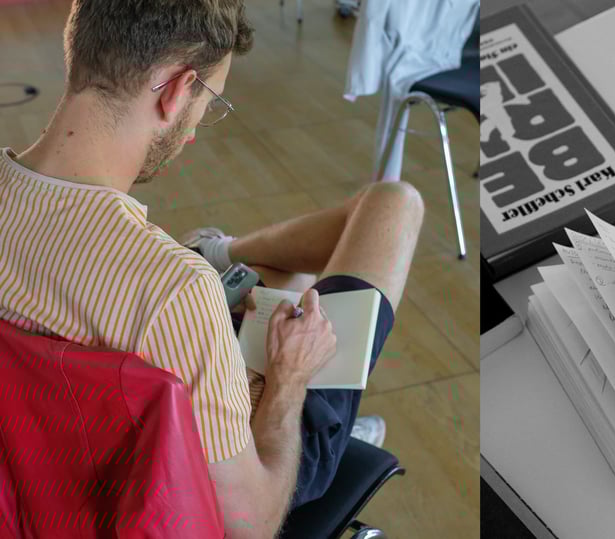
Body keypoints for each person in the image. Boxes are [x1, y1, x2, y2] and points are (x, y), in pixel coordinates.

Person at [0, 1, 422, 536]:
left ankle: (227, 254)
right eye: (210, 100)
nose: (199, 123)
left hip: (37, 479)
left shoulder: (166, 285)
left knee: (265, 279)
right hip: (188, 485)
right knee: (394, 204)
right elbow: (253, 524)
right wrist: (291, 379)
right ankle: (227, 255)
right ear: (178, 89)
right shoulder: (172, 289)